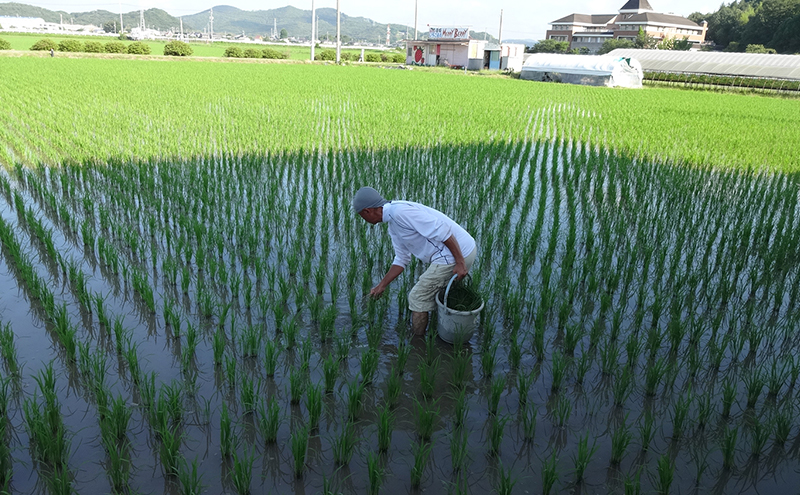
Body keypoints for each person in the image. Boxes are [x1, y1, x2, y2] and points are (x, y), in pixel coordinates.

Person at [353, 186, 477, 336]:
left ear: (367, 211)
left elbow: (442, 230)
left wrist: (459, 262)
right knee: (440, 294)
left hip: (455, 254)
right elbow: (401, 259)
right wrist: (382, 285)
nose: (364, 220)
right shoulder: (393, 223)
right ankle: (444, 330)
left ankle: (417, 343)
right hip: (461, 250)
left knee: (417, 296)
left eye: (362, 216)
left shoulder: (399, 213)